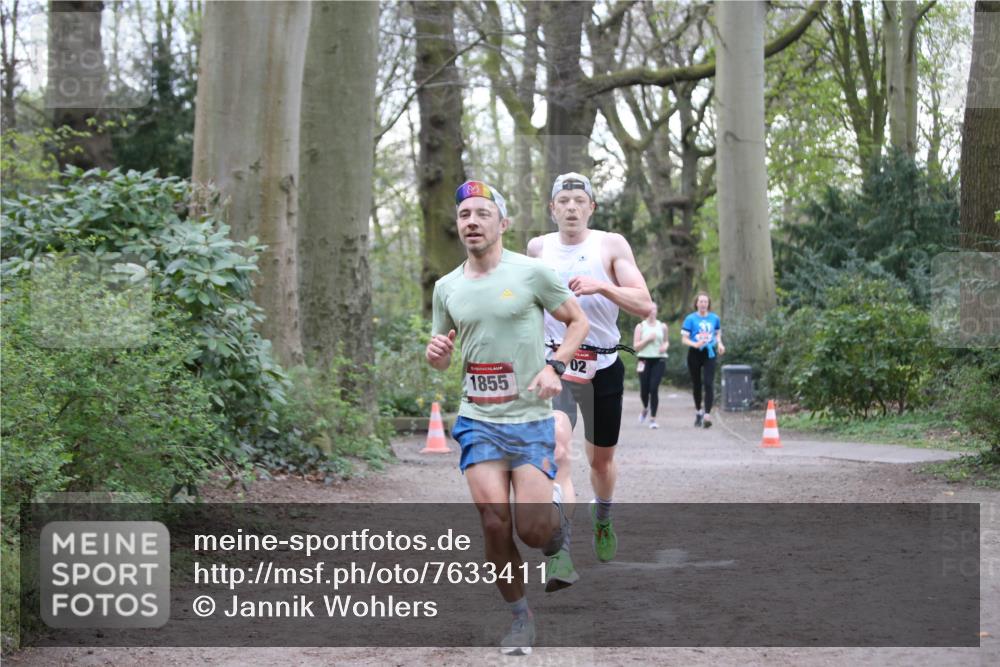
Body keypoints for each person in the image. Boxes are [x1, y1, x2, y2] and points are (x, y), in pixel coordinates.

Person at [426, 180, 589, 656]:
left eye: (481, 213)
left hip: (530, 418)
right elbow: (441, 353)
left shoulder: (533, 273)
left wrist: (555, 366)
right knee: (494, 521)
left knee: (533, 530)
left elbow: (576, 321)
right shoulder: (446, 287)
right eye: (463, 216)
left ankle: (559, 535)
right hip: (478, 418)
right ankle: (521, 619)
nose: (471, 222)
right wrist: (435, 352)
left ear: (503, 223)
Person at [527, 172, 654, 566]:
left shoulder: (610, 244)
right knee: (558, 448)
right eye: (563, 201)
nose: (571, 208)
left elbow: (646, 304)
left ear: (591, 208)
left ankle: (603, 516)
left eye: (579, 201)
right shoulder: (537, 248)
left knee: (601, 460)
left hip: (603, 365)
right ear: (552, 208)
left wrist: (603, 287)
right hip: (556, 364)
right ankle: (559, 547)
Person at [681, 292, 725, 428]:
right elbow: (684, 339)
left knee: (708, 383)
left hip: (709, 353)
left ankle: (707, 414)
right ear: (696, 303)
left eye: (705, 302)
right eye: (701, 302)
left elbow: (717, 333)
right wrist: (695, 344)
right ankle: (698, 411)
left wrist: (720, 343)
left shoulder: (714, 318)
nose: (703, 304)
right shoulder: (690, 319)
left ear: (708, 304)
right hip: (694, 353)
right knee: (697, 384)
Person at [634, 304, 669, 430]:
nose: (652, 311)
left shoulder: (663, 326)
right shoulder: (640, 326)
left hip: (659, 359)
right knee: (644, 389)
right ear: (645, 311)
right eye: (649, 309)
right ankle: (645, 408)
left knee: (654, 388)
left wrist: (665, 346)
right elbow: (636, 346)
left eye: (654, 309)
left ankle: (653, 419)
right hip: (644, 359)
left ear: (657, 311)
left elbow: (666, 341)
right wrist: (647, 339)